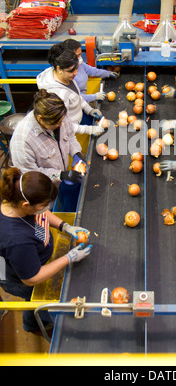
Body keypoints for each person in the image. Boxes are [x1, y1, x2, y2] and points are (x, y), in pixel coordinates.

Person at [0, 167, 92, 333]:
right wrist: (69, 257)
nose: (45, 208)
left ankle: (31, 322)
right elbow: (31, 278)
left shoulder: (16, 200)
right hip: (18, 277)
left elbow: (41, 214)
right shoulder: (17, 240)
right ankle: (33, 325)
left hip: (33, 255)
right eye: (43, 205)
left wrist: (65, 226)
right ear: (26, 205)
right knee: (34, 299)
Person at [10, 89, 86, 185]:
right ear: (40, 118)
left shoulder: (59, 115)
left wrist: (76, 153)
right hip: (44, 187)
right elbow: (30, 174)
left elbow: (70, 135)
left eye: (62, 120)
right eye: (56, 123)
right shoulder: (23, 141)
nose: (61, 125)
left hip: (61, 178)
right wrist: (59, 175)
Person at [36, 44, 104, 136]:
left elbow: (77, 95)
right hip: (68, 132)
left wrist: (89, 109)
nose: (76, 73)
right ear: (59, 69)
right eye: (71, 70)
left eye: (76, 68)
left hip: (77, 118)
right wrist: (88, 129)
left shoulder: (66, 77)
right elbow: (63, 125)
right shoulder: (57, 95)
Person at [63, 38, 118, 104]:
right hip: (76, 105)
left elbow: (91, 70)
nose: (80, 57)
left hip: (84, 100)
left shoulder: (79, 64)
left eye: (80, 54)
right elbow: (74, 98)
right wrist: (94, 97)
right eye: (77, 55)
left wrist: (107, 73)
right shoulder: (67, 74)